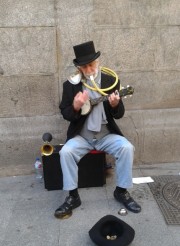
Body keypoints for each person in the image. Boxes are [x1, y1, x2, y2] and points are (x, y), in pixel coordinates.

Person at [54, 41, 141, 218]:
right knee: (66, 152)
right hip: (82, 136)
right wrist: (76, 106)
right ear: (78, 68)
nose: (89, 69)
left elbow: (119, 114)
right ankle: (73, 196)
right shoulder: (70, 85)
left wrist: (116, 105)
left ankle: (122, 191)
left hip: (105, 134)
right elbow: (66, 113)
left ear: (97, 62)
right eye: (84, 66)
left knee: (126, 148)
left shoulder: (110, 81)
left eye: (91, 64)